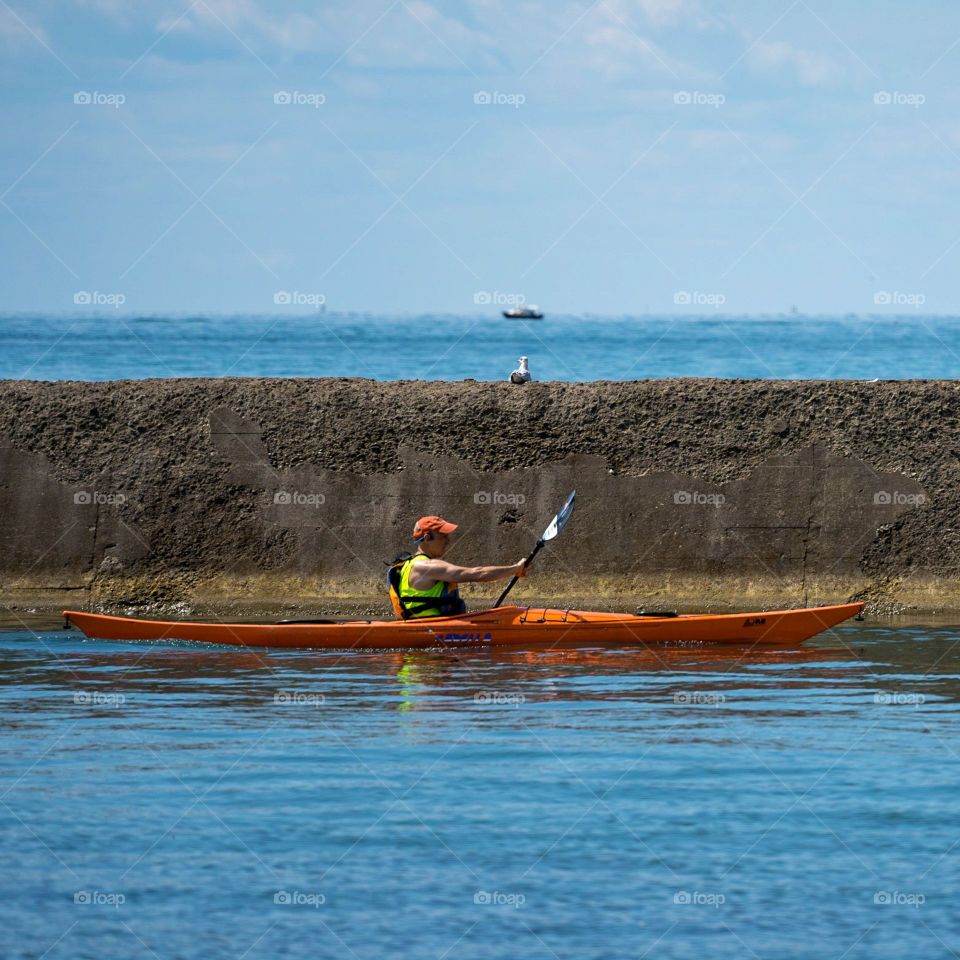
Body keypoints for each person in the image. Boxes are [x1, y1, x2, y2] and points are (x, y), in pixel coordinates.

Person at [389, 515, 529, 619]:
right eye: (443, 536)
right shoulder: (426, 566)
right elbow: (477, 574)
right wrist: (515, 568)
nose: (448, 541)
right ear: (427, 538)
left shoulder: (410, 564)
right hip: (429, 634)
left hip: (434, 627)